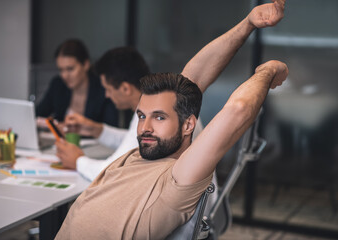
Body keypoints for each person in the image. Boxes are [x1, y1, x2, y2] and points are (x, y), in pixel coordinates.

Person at [55, 1, 286, 239]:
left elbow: (238, 110)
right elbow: (194, 75)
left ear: (188, 125)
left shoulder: (179, 177)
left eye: (159, 117)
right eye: (142, 116)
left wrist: (267, 71)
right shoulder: (140, 153)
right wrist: (248, 23)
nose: (144, 128)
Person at [35, 39, 119, 127]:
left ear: (86, 65)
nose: (64, 75)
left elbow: (111, 127)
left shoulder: (103, 88)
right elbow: (37, 114)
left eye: (70, 69)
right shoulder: (58, 85)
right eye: (61, 70)